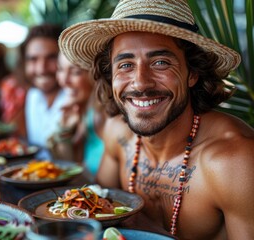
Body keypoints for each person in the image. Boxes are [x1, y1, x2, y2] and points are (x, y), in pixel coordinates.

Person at [59, 0, 254, 239]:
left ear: (192, 73)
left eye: (160, 63)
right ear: (111, 76)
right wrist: (63, 141)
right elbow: (93, 207)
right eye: (126, 65)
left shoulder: (233, 160)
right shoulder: (118, 132)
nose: (141, 82)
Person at [48, 52, 106, 175]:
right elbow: (70, 166)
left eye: (75, 72)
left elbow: (73, 175)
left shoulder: (102, 116)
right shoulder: (85, 111)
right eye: (60, 69)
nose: (64, 80)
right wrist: (64, 130)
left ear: (95, 75)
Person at [18, 24, 66, 158]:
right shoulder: (33, 95)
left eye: (51, 58)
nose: (41, 69)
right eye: (33, 59)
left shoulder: (75, 96)